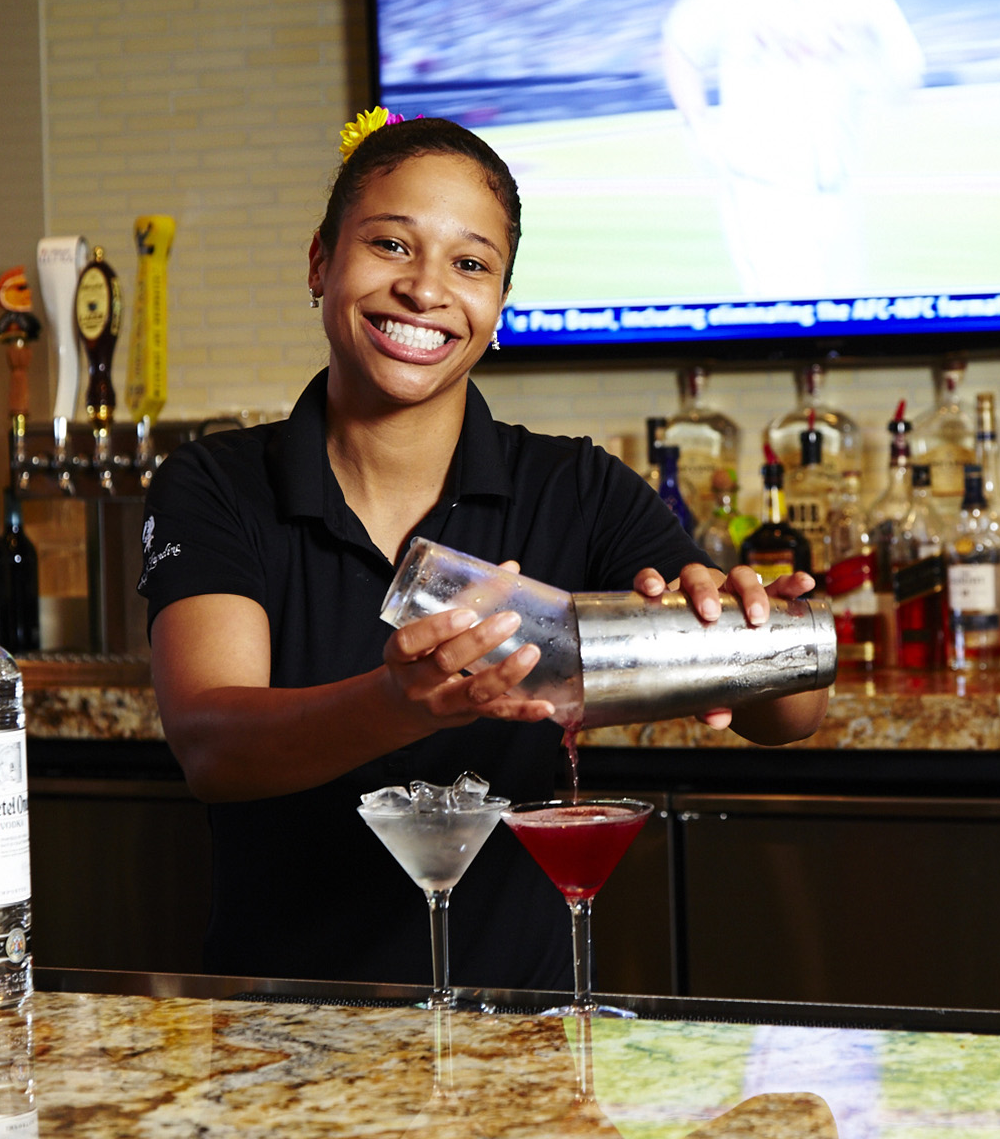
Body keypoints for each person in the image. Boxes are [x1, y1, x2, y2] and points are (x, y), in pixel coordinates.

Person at [139, 111, 828, 988]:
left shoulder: (576, 488)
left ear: (499, 305)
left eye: (470, 264)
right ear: (320, 262)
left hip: (521, 1034)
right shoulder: (218, 483)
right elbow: (212, 747)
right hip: (279, 1027)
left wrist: (752, 636)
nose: (425, 289)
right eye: (391, 245)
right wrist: (400, 701)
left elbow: (793, 716)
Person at [663, 0, 924, 299]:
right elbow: (679, 47)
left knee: (848, 319)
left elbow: (904, 81)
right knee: (787, 318)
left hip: (839, 192)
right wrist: (698, 125)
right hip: (765, 194)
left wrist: (865, 51)